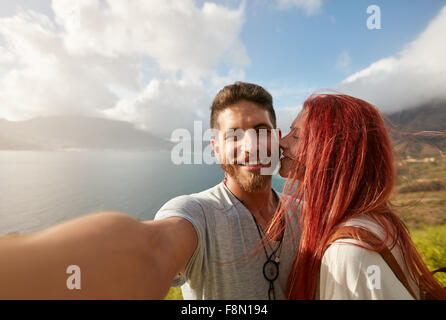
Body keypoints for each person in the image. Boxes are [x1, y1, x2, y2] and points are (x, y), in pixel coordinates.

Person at [0, 81, 300, 299]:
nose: (250, 147)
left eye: (260, 131)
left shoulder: (303, 212)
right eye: (234, 136)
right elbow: (151, 248)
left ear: (276, 136)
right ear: (216, 148)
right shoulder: (200, 214)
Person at [267, 92, 446, 300]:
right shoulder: (379, 222)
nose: (281, 143)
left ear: (333, 152)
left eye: (296, 136)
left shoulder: (348, 253)